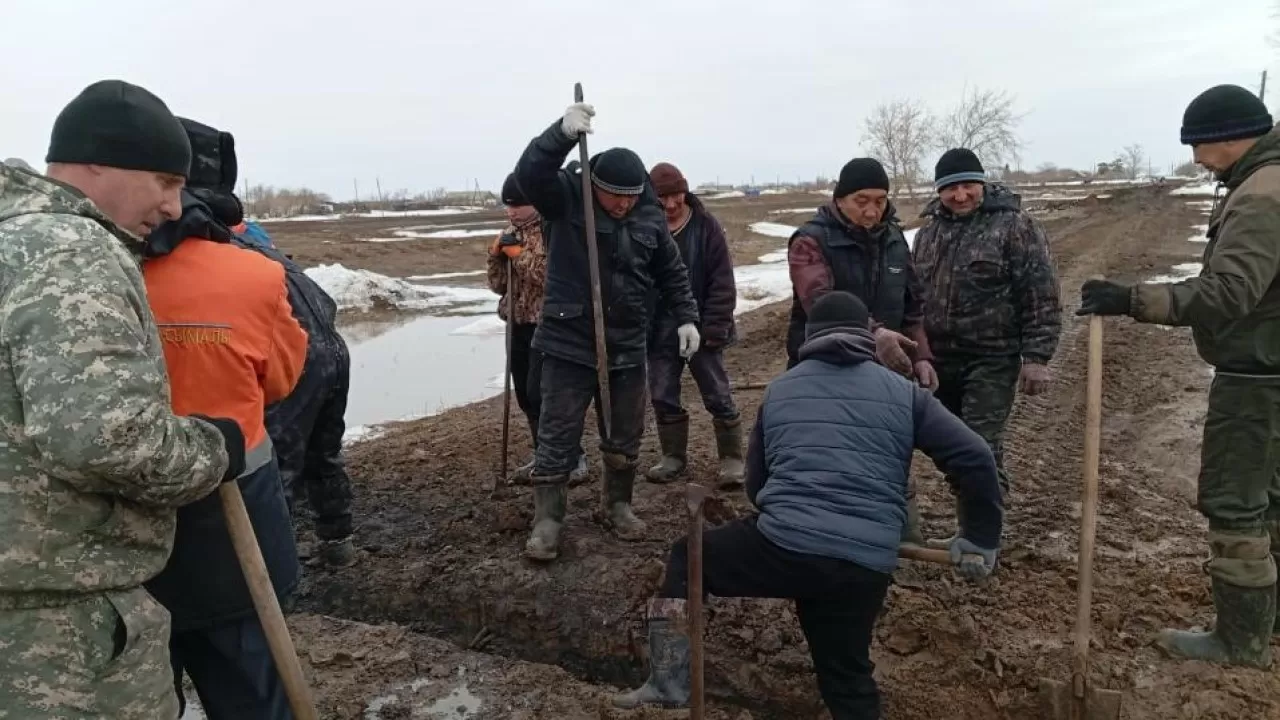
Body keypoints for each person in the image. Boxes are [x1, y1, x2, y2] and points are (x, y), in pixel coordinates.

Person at [612, 291, 1003, 719]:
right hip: (865, 562)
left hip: (785, 546)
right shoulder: (904, 394)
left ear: (809, 337)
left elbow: (757, 485)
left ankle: (668, 684)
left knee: (689, 555)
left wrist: (793, 518)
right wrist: (979, 538)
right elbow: (975, 457)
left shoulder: (781, 389)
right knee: (845, 675)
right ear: (867, 340)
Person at [0, 80, 243, 719]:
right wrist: (213, 448)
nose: (174, 205)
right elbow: (104, 437)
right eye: (164, 180)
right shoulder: (70, 250)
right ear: (97, 160)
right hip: (57, 626)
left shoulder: (11, 240)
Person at [1080, 84, 1280, 669]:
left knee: (1235, 502)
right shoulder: (1261, 181)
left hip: (1258, 376)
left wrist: (1133, 299)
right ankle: (1266, 627)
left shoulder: (1262, 193)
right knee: (1271, 500)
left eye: (1199, 144)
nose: (1195, 158)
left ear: (1228, 136)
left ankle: (1240, 642)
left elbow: (1231, 291)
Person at [139, 117, 309, 718]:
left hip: (114, 544)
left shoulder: (88, 274)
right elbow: (284, 379)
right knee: (251, 692)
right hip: (230, 535)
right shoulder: (253, 275)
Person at [513, 101, 700, 561]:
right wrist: (558, 134)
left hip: (625, 343)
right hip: (567, 341)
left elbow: (671, 270)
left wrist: (687, 316)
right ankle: (549, 519)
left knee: (625, 433)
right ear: (594, 184)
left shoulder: (648, 214)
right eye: (614, 195)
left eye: (632, 195)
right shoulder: (566, 197)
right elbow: (528, 176)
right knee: (557, 434)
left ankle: (615, 504)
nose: (623, 203)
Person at [909, 148, 1061, 544]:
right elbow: (913, 295)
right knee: (948, 447)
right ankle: (977, 520)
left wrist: (1037, 356)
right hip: (940, 359)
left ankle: (982, 538)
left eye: (967, 185)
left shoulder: (1015, 227)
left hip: (992, 357)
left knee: (977, 444)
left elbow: (1040, 293)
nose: (960, 195)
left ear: (982, 183)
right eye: (950, 188)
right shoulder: (928, 233)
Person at [228, 180, 359, 571]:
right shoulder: (257, 238)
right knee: (324, 453)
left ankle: (276, 566)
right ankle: (338, 544)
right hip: (331, 349)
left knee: (278, 462)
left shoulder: (225, 249)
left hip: (299, 354)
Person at [787, 158, 934, 386]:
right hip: (826, 367)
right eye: (861, 201)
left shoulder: (894, 239)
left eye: (880, 201)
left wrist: (920, 356)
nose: (871, 212)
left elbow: (912, 306)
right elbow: (820, 302)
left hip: (886, 367)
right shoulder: (810, 241)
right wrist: (875, 333)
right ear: (840, 200)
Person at [645, 162, 743, 487]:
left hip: (703, 327)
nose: (671, 204)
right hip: (659, 331)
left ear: (685, 191)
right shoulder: (644, 228)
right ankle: (673, 456)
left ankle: (731, 458)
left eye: (676, 195)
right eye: (662, 198)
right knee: (662, 394)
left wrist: (715, 328)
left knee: (717, 392)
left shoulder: (706, 227)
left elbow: (722, 282)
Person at [487, 173, 587, 484]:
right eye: (508, 205)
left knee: (543, 394)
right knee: (526, 397)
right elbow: (498, 285)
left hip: (548, 326)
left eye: (519, 204)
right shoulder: (508, 234)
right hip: (517, 324)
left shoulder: (551, 230)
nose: (512, 211)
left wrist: (520, 256)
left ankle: (572, 456)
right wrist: (495, 257)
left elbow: (549, 275)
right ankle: (543, 453)